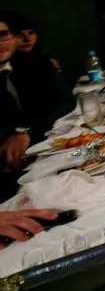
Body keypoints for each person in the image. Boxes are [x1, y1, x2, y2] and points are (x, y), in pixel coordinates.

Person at [0, 13, 76, 199]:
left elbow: (62, 102)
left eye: (3, 34)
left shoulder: (26, 65)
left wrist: (25, 132)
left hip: (40, 161)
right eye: (22, 34)